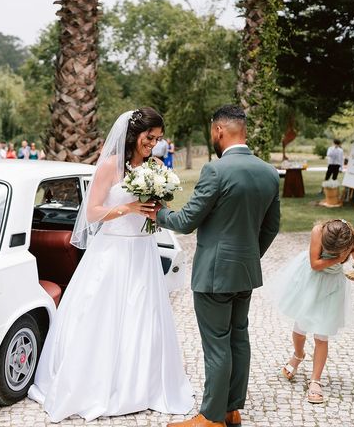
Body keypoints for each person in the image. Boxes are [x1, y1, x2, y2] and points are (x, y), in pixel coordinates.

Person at [28, 108, 193, 422]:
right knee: (101, 314)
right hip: (112, 251)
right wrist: (129, 207)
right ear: (134, 134)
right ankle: (94, 384)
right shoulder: (108, 167)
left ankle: (142, 384)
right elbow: (92, 213)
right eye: (150, 137)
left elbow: (161, 207)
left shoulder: (155, 166)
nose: (154, 144)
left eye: (158, 139)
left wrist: (158, 204)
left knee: (144, 315)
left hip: (143, 250)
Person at [153, 104, 280, 427]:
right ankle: (231, 409)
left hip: (214, 275)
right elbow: (271, 227)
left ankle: (210, 418)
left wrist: (157, 211)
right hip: (245, 273)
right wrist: (249, 256)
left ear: (219, 131)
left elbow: (185, 222)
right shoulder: (268, 172)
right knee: (239, 338)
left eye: (212, 131)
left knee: (217, 345)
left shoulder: (216, 171)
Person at [266, 219, 354, 404]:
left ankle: (315, 381)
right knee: (300, 326)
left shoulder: (353, 243)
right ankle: (298, 355)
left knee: (322, 334)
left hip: (331, 286)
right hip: (310, 280)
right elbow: (315, 263)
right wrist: (339, 258)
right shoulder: (317, 231)